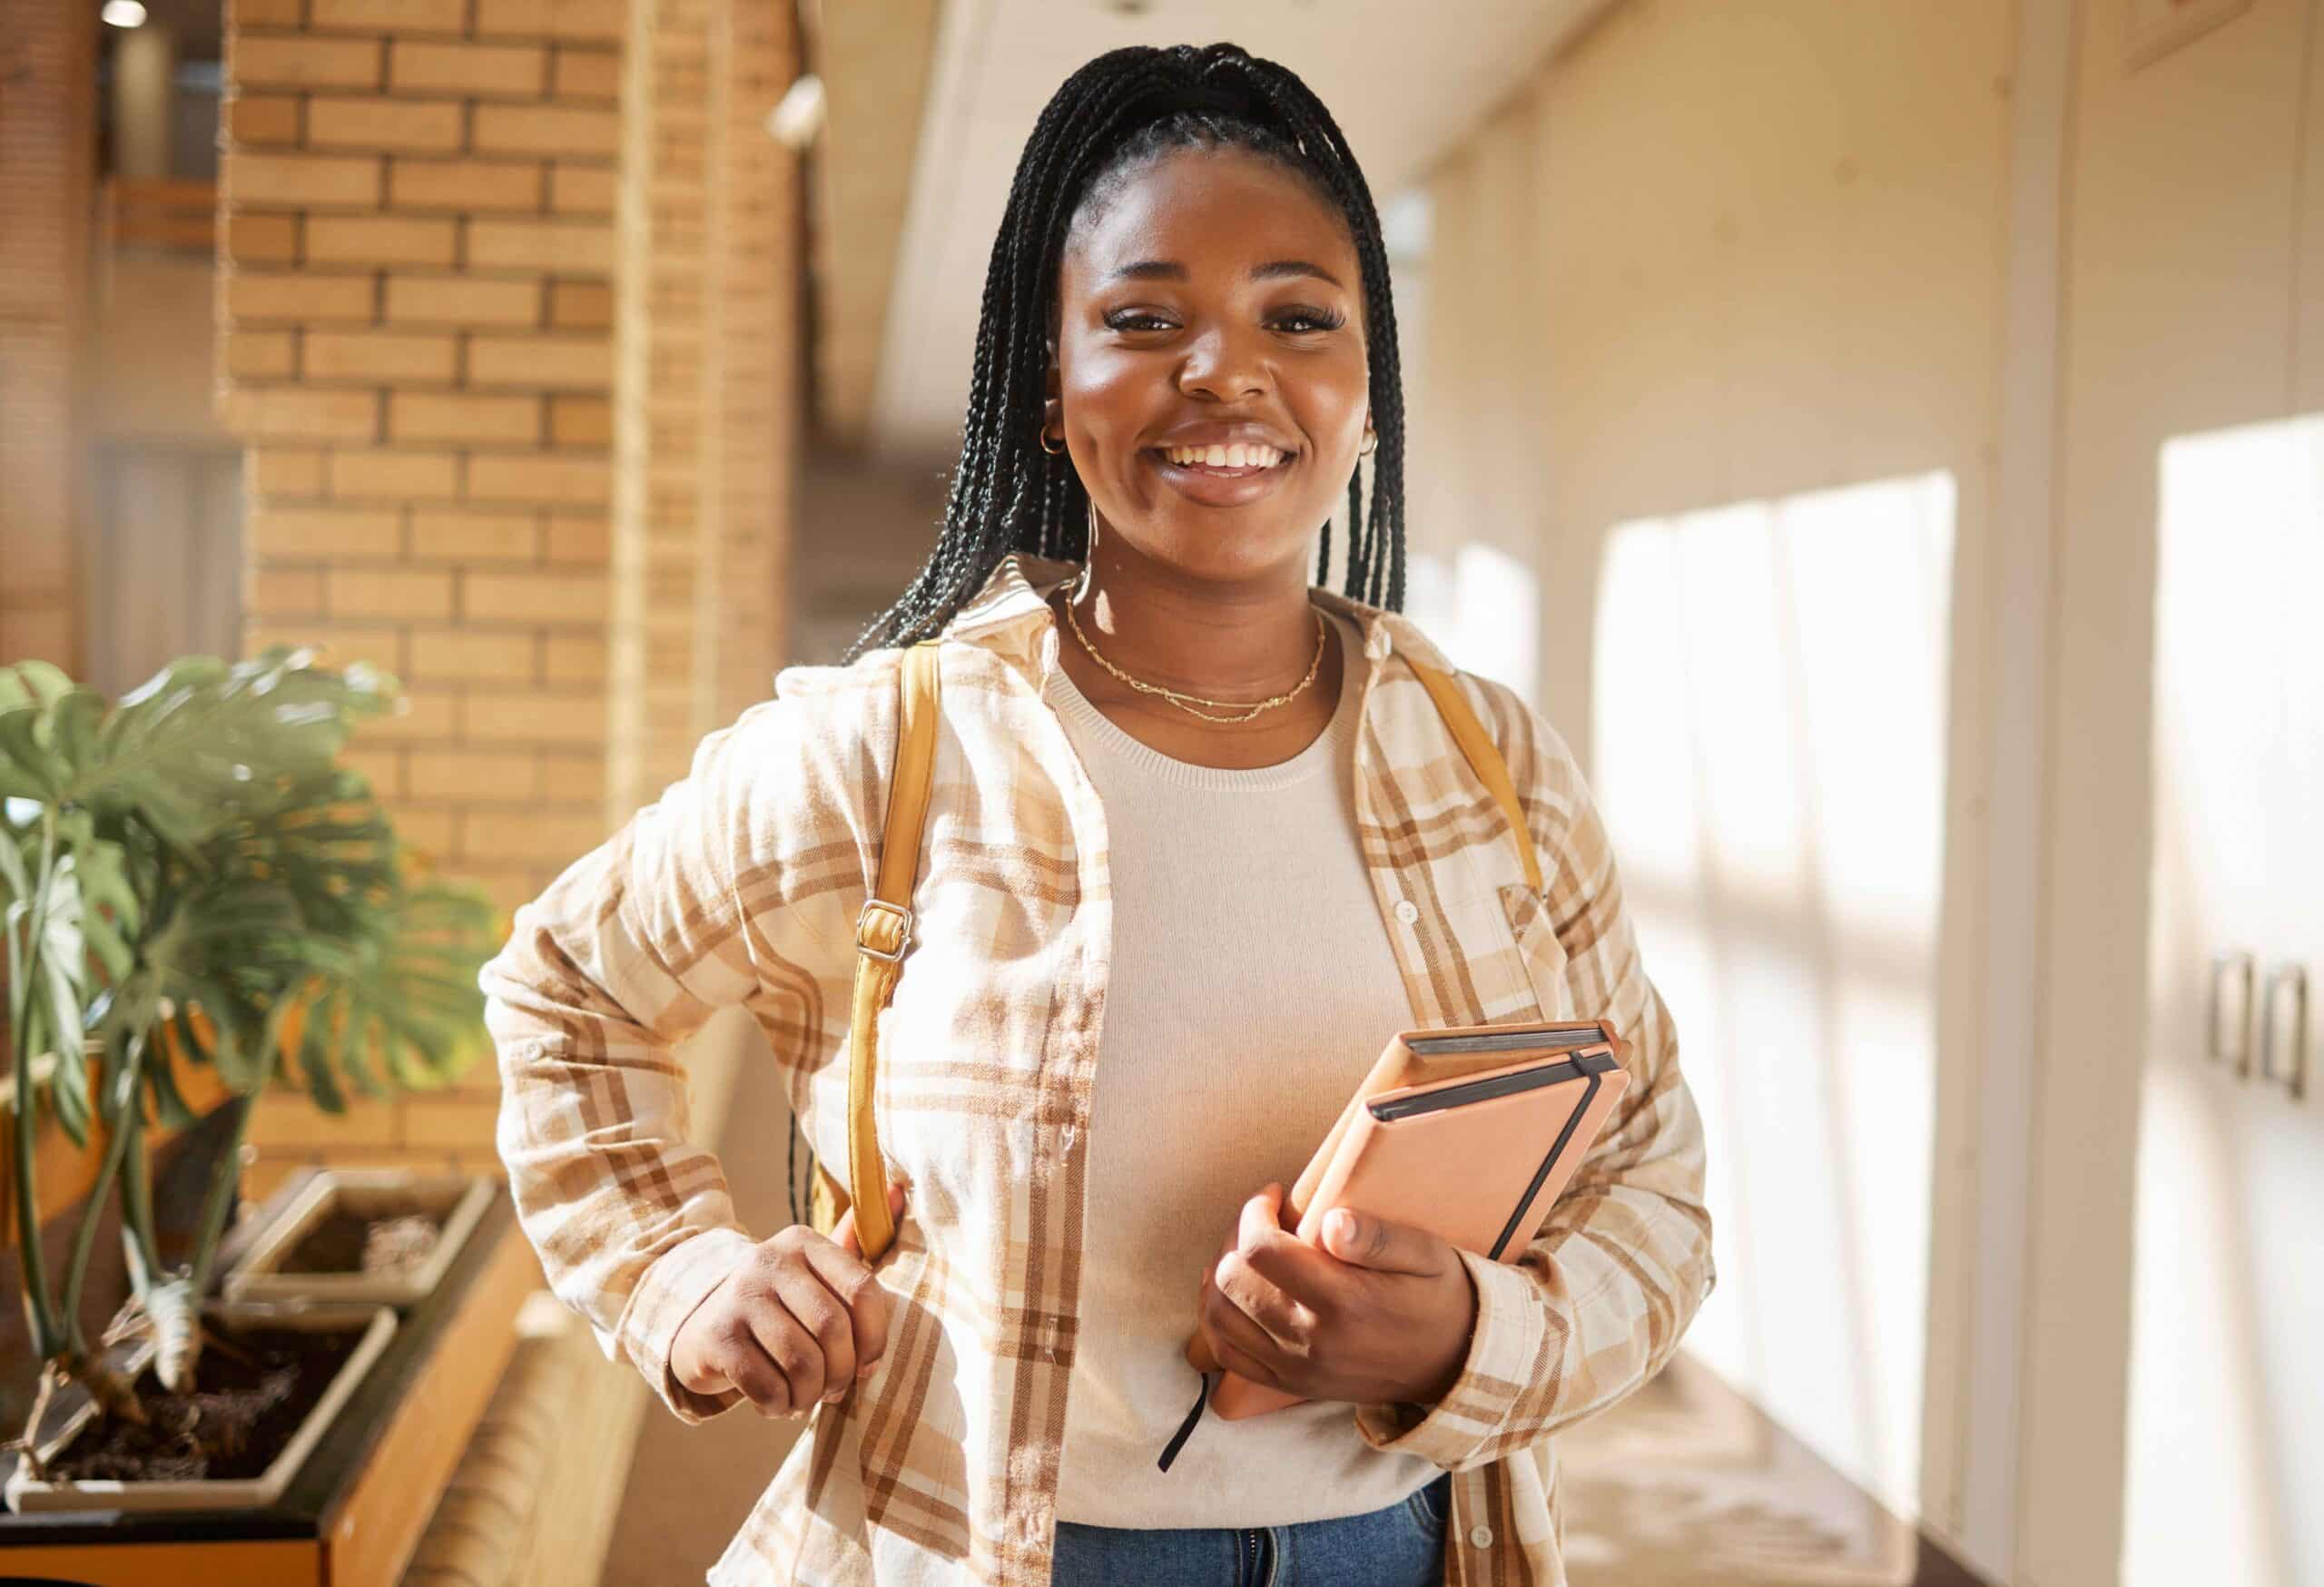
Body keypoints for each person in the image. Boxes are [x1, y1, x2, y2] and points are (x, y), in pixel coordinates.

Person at [481, 40, 1713, 1587]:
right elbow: (564, 991)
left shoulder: (1493, 768)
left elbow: (1654, 1188)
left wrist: (1474, 1331)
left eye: (1298, 317)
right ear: (1049, 388)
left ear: (1364, 399)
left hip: (1400, 1549)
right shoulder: (892, 745)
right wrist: (681, 1277)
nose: (1224, 371)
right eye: (1143, 320)